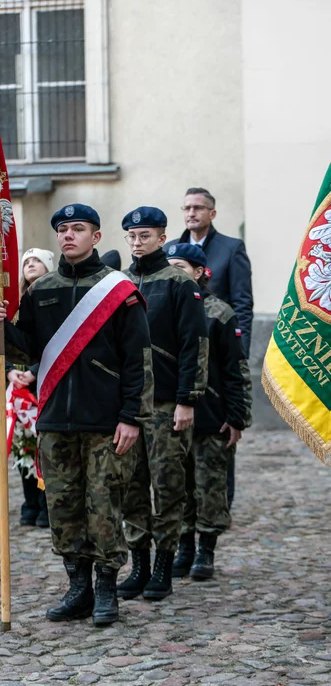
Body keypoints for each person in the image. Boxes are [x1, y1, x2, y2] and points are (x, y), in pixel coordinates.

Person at [0, 203, 153, 626]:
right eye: (62, 229)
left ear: (96, 237)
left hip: (105, 422)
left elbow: (137, 360)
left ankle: (105, 591)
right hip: (55, 420)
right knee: (63, 508)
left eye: (77, 229)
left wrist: (131, 417)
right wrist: (0, 324)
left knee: (104, 508)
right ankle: (77, 588)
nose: (67, 235)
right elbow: (29, 347)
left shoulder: (118, 290)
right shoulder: (42, 290)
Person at [118, 207, 208, 602]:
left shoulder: (177, 283)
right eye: (132, 236)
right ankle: (138, 563)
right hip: (128, 405)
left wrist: (187, 400)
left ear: (161, 236)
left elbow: (194, 344)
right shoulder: (117, 283)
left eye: (145, 235)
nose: (138, 243)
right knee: (130, 486)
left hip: (167, 402)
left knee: (168, 485)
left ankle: (163, 566)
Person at [166, 187, 254, 508]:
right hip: (180, 353)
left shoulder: (231, 249)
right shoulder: (172, 250)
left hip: (220, 346)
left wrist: (238, 345)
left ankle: (221, 502)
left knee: (218, 429)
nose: (191, 213)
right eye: (187, 207)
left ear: (211, 213)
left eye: (198, 208)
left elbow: (242, 301)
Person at [168, 244, 252, 580]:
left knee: (210, 485)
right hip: (170, 415)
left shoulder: (219, 312)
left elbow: (235, 369)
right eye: (170, 266)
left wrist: (236, 416)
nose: (175, 273)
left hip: (211, 415)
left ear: (201, 272)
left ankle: (206, 550)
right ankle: (184, 545)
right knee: (179, 485)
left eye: (182, 267)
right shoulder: (161, 307)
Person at [7, 247, 54, 528]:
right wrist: (12, 372)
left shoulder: (53, 298)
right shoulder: (15, 303)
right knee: (23, 445)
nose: (31, 264)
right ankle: (30, 503)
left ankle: (47, 503)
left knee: (43, 446)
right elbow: (5, 342)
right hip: (18, 388)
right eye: (26, 261)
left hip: (44, 385)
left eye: (37, 260)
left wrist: (35, 373)